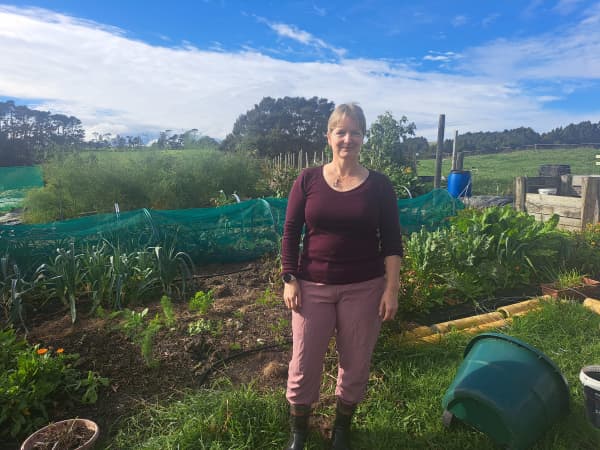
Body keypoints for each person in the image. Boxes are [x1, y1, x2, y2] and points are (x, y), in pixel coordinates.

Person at [281, 103, 403, 450]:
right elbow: (291, 232)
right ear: (329, 136)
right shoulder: (307, 180)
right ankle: (298, 435)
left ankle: (340, 431)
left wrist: (391, 289)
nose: (348, 139)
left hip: (364, 288)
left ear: (363, 137)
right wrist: (290, 277)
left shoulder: (379, 185)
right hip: (312, 287)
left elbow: (392, 242)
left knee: (355, 361)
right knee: (304, 362)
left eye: (355, 132)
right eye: (341, 132)